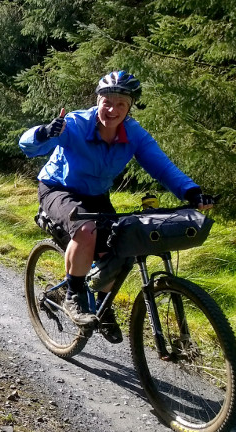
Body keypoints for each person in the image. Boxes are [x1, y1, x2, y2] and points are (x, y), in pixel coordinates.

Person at [18, 70, 215, 343]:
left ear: (129, 107)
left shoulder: (134, 135)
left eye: (121, 104)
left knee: (121, 244)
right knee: (86, 229)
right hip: (58, 189)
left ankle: (103, 306)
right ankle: (74, 295)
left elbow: (163, 168)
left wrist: (192, 192)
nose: (112, 109)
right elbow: (29, 146)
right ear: (97, 100)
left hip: (96, 194)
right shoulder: (75, 123)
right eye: (107, 101)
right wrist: (43, 132)